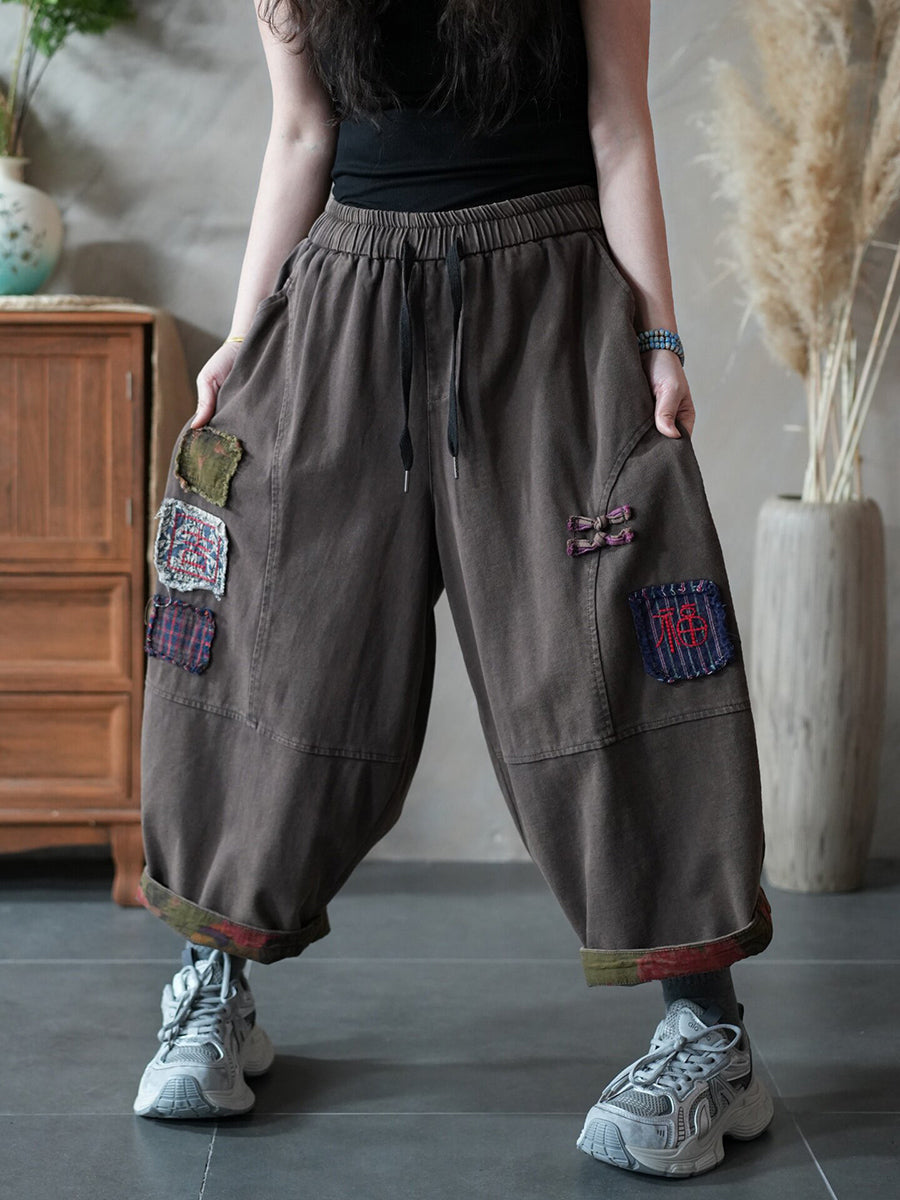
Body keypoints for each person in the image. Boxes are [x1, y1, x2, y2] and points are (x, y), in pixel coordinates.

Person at [133, 0, 775, 1178]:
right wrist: (245, 333)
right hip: (345, 302)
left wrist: (660, 341)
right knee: (276, 630)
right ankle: (212, 980)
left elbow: (618, 126)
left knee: (598, 651)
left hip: (548, 302)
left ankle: (710, 1035)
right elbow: (301, 136)